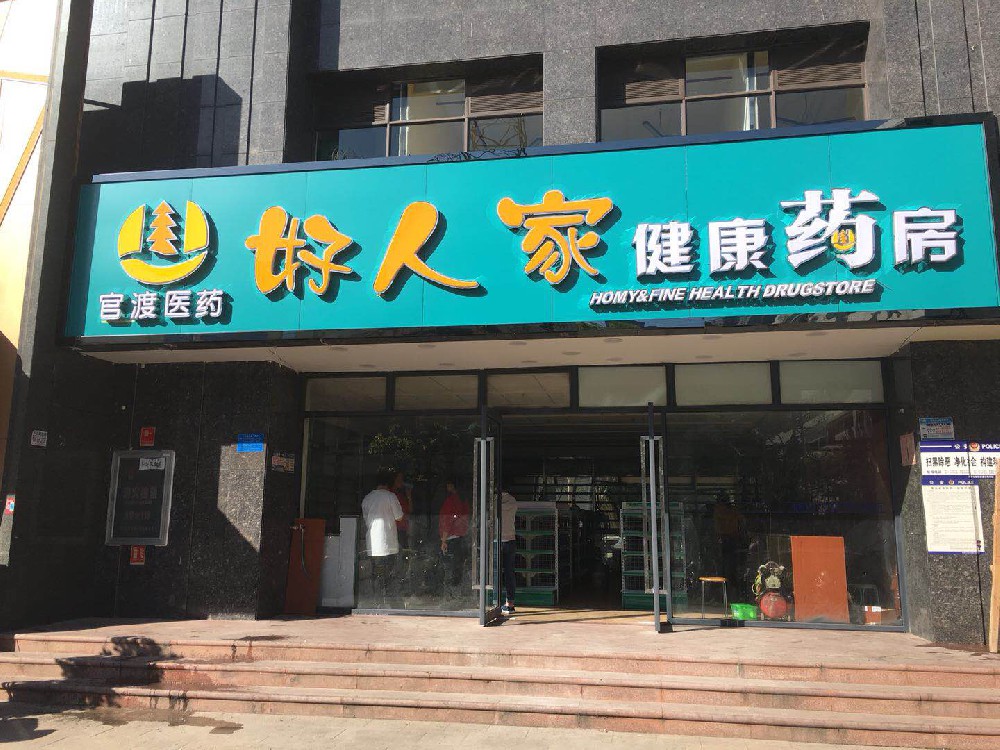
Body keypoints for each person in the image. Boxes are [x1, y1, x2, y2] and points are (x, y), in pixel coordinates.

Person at [361, 468, 404, 603]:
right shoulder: (390, 497)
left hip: (373, 544)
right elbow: (399, 516)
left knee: (376, 575)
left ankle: (377, 602)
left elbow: (366, 519)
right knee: (389, 575)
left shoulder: (367, 498)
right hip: (388, 543)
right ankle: (389, 602)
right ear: (388, 483)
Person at [438, 480, 470, 586]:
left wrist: (443, 540)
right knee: (458, 567)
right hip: (461, 537)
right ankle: (457, 587)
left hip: (451, 538)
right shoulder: (463, 500)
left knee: (448, 569)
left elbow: (447, 521)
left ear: (451, 486)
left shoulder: (450, 501)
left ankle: (450, 589)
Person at [500, 488, 518, 615]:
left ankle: (494, 602)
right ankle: (510, 603)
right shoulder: (513, 501)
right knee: (509, 573)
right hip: (511, 539)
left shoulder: (495, 502)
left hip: (498, 540)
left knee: (495, 572)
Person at [392, 471, 412, 549]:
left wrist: (409, 497)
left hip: (403, 528)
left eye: (402, 479)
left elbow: (410, 510)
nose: (401, 482)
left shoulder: (402, 495)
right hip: (394, 528)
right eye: (399, 479)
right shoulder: (390, 494)